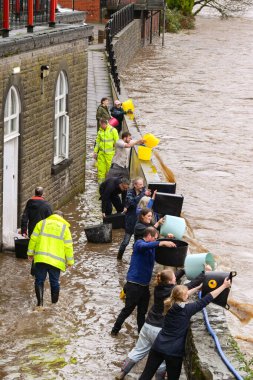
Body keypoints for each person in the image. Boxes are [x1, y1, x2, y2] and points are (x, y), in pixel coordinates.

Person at [115, 266, 213, 380]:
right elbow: (190, 285)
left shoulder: (158, 287)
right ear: (171, 281)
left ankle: (122, 373)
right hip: (159, 330)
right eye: (174, 277)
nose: (176, 278)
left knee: (137, 351)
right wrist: (204, 273)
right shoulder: (173, 290)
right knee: (161, 363)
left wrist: (184, 270)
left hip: (147, 326)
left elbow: (176, 284)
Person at [139, 277, 231, 380]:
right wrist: (224, 286)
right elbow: (207, 298)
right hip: (173, 352)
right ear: (185, 297)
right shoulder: (188, 310)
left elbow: (179, 296)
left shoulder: (168, 304)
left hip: (158, 346)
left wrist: (197, 288)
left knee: (146, 375)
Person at [111, 227, 176, 336]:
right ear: (149, 236)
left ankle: (141, 334)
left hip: (144, 286)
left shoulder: (152, 246)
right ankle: (114, 331)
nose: (156, 240)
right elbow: (149, 245)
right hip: (134, 285)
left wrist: (167, 239)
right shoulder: (139, 244)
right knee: (127, 310)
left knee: (142, 313)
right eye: (155, 238)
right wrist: (161, 243)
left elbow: (158, 244)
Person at [27, 210, 74, 309]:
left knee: (39, 281)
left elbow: (33, 239)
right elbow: (68, 246)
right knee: (54, 282)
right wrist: (70, 262)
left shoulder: (41, 223)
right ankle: (54, 306)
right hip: (56, 261)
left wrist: (30, 253)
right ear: (62, 218)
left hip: (41, 258)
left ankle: (40, 304)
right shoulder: (65, 228)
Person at [117, 177, 151, 260]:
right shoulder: (129, 193)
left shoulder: (144, 192)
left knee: (137, 243)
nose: (142, 186)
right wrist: (142, 195)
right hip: (130, 222)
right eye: (140, 185)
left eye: (142, 184)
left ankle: (134, 258)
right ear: (135, 185)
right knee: (125, 242)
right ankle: (119, 258)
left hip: (140, 223)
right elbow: (131, 203)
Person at [93, 118, 119, 184]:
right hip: (101, 154)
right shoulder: (100, 131)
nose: (100, 126)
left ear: (105, 124)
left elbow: (117, 142)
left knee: (109, 171)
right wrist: (95, 152)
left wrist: (117, 152)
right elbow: (97, 143)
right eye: (100, 125)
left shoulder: (113, 130)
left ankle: (109, 185)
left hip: (110, 154)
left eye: (101, 125)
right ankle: (100, 186)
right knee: (101, 171)